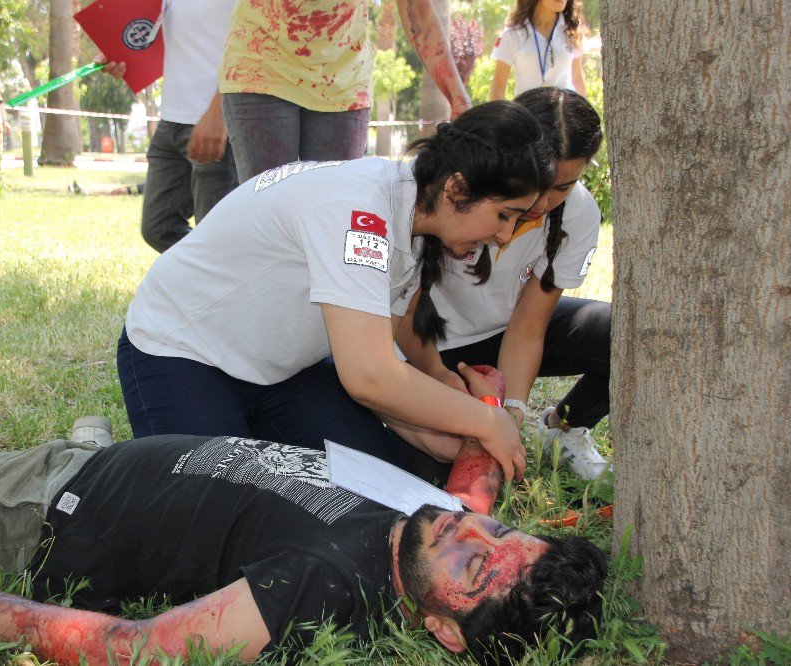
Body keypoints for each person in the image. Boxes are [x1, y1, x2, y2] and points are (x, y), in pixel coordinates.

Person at [0, 405, 607, 663]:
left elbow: (139, 649)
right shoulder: (430, 526)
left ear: (444, 632)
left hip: (22, 523)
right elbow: (477, 484)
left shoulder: (327, 584)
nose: (477, 531)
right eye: (504, 534)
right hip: (87, 465)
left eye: (481, 566)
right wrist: (487, 418)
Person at [118, 101, 555, 482]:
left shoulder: (418, 213)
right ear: (456, 188)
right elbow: (369, 376)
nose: (505, 235)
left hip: (285, 371)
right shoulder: (359, 212)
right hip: (184, 352)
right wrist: (486, 421)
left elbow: (388, 340)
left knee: (371, 491)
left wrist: (435, 419)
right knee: (217, 509)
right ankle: (94, 459)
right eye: (504, 215)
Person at [395, 87, 610, 480]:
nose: (543, 203)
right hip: (426, 346)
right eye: (542, 181)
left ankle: (562, 431)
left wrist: (512, 410)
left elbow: (529, 326)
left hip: (507, 336)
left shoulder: (578, 214)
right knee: (436, 469)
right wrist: (441, 385)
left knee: (618, 334)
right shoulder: (455, 191)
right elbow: (402, 312)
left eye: (563, 187)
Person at [220, 0, 473, 183]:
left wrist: (457, 96)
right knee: (268, 210)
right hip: (262, 66)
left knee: (332, 211)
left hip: (344, 79)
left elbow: (418, 11)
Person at [99, 0, 239, 253]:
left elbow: (257, 47)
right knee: (159, 227)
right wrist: (120, 53)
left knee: (217, 240)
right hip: (173, 118)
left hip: (218, 122)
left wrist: (220, 114)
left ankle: (231, 279)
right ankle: (216, 274)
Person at [489, 1, 586, 101]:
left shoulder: (573, 31)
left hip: (563, 113)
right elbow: (498, 87)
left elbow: (577, 79)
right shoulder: (512, 35)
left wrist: (583, 115)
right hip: (526, 113)